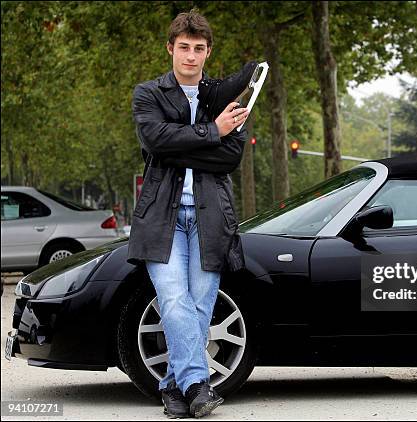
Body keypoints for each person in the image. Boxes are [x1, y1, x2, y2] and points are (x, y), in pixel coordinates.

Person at [126, 9, 253, 419]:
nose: (191, 57)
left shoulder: (226, 98)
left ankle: (172, 388)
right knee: (174, 300)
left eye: (199, 49)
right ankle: (198, 385)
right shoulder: (148, 94)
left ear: (208, 52)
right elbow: (156, 139)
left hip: (211, 217)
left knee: (200, 304)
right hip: (161, 220)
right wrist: (213, 131)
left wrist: (187, 144)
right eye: (184, 48)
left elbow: (232, 157)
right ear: (170, 48)